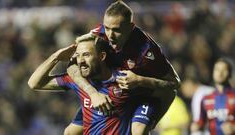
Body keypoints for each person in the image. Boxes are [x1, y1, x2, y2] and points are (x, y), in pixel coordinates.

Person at [65, 1, 180, 135]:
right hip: (107, 93)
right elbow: (72, 67)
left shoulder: (147, 49)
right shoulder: (97, 36)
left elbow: (174, 84)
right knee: (70, 132)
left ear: (130, 27)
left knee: (138, 131)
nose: (110, 35)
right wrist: (93, 93)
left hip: (139, 94)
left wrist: (139, 80)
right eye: (107, 28)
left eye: (116, 30)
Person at [28, 37, 157, 134]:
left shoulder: (124, 79)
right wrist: (56, 57)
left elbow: (160, 90)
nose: (81, 60)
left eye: (86, 55)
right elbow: (34, 83)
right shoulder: (78, 80)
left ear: (102, 56)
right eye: (78, 55)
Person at [190, 58, 235, 135]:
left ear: (230, 73)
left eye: (224, 70)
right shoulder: (206, 99)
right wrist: (197, 125)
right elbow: (201, 121)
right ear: (213, 72)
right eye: (217, 69)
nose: (220, 73)